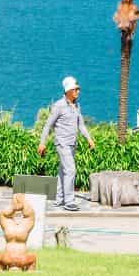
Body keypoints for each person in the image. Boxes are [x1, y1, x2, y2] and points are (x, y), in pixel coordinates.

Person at [37, 76, 95, 211]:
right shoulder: (58, 106)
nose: (78, 91)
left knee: (63, 172)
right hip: (62, 144)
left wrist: (89, 139)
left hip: (72, 144)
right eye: (75, 89)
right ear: (68, 91)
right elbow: (47, 125)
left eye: (78, 89)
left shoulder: (76, 105)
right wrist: (42, 143)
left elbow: (81, 125)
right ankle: (69, 201)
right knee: (70, 170)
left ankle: (59, 199)